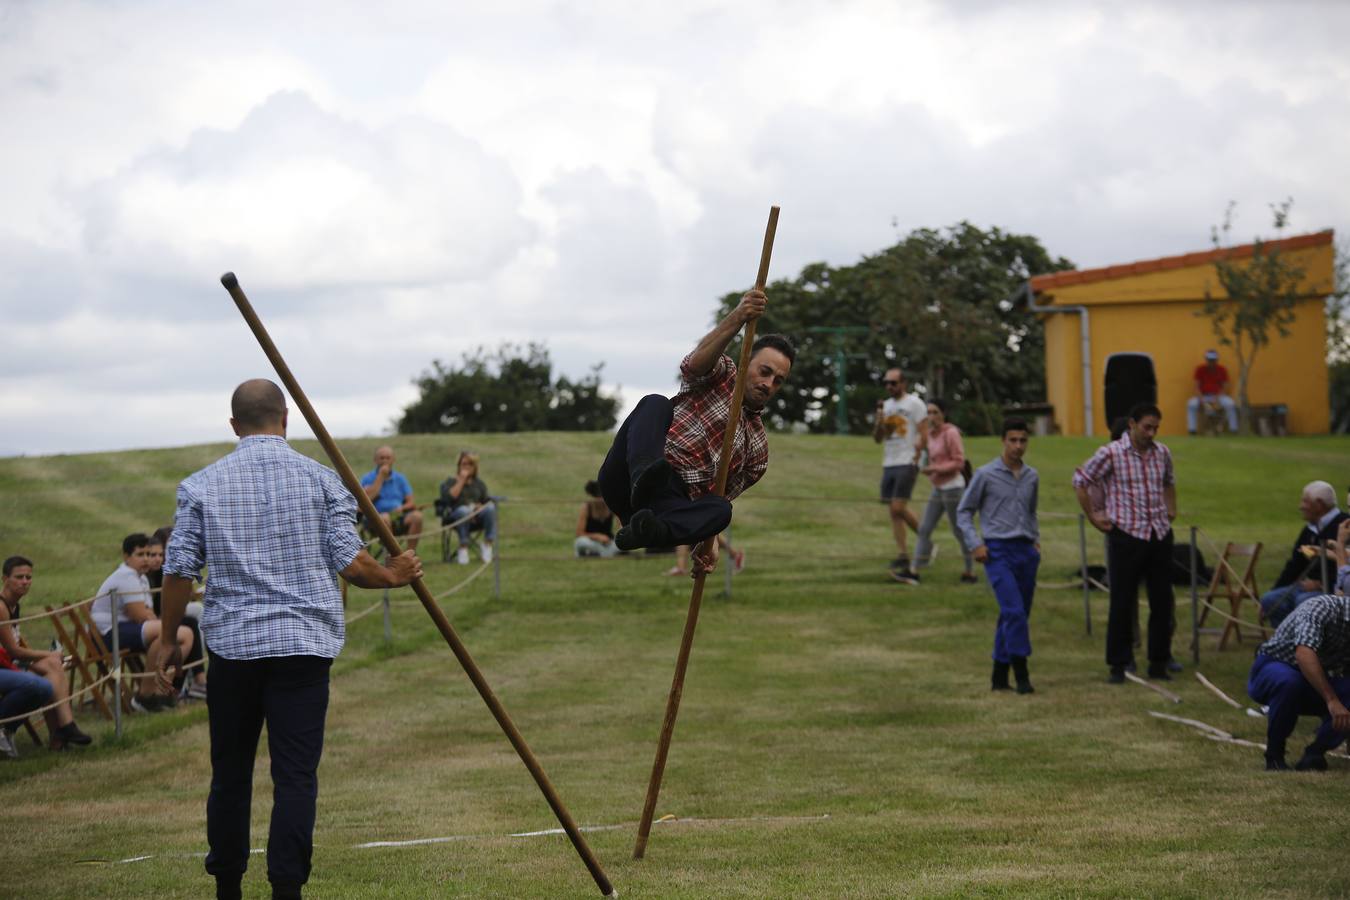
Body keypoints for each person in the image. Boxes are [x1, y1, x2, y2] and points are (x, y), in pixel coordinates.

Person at [156, 379, 422, 900]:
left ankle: (228, 887)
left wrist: (168, 640)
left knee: (229, 773)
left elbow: (178, 568)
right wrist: (394, 574)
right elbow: (351, 563)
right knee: (295, 777)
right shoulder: (324, 482)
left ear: (234, 426)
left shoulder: (201, 486)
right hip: (304, 650)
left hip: (232, 649)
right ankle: (287, 890)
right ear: (285, 420)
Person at [597, 289, 793, 576]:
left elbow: (714, 500)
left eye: (778, 381)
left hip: (666, 504)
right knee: (655, 403)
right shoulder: (722, 374)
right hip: (629, 474)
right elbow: (694, 364)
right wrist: (739, 315)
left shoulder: (758, 450)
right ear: (746, 360)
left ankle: (647, 531)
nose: (768, 383)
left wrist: (707, 542)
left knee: (721, 511)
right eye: (764, 371)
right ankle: (644, 476)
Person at [1073, 402, 1178, 683]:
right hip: (1126, 534)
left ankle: (1159, 661)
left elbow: (1169, 481)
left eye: (1156, 427)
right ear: (1132, 424)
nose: (1152, 433)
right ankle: (1118, 664)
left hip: (1158, 533)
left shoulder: (1162, 453)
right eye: (1147, 427)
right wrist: (1094, 516)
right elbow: (1081, 479)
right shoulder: (1111, 453)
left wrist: (1170, 508)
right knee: (1121, 601)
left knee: (1162, 601)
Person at [957, 419, 1040, 693]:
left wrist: (1035, 540)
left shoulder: (1031, 476)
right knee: (1014, 611)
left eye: (1023, 440)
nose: (1018, 446)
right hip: (997, 551)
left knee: (1016, 614)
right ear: (1003, 441)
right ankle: (1022, 674)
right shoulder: (985, 474)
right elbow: (964, 511)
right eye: (1013, 440)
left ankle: (998, 676)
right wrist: (975, 543)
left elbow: (1031, 511)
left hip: (1025, 551)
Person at [92, 533, 196, 713]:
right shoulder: (126, 576)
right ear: (126, 557)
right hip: (108, 634)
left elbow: (146, 612)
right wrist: (157, 622)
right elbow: (140, 615)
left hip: (125, 629)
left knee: (181, 635)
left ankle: (160, 691)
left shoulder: (140, 577)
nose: (146, 559)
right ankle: (145, 696)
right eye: (140, 555)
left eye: (148, 554)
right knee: (175, 633)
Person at [1246, 593, 1350, 771]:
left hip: (1316, 678)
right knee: (1289, 682)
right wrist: (1332, 700)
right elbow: (1304, 654)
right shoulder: (1321, 608)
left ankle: (1315, 753)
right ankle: (1274, 756)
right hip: (1274, 666)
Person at [0, 556, 92, 752]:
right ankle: (62, 731)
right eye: (19, 577)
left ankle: (63, 731)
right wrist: (48, 654)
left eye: (28, 577)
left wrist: (49, 658)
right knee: (50, 668)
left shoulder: (15, 604)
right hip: (4, 664)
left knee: (53, 668)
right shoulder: (1, 607)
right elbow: (13, 650)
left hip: (8, 662)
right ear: (4, 578)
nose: (25, 581)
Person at [1258, 481, 1347, 627]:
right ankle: (1287, 643)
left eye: (1305, 501)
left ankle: (1310, 644)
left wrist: (1323, 584)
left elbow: (1345, 564)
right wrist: (1274, 592)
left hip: (1334, 591)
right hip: (1307, 587)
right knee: (1270, 599)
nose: (1301, 506)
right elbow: (1295, 564)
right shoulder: (1309, 530)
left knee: (1305, 601)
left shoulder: (1345, 527)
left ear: (1319, 505)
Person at [873, 367, 928, 584]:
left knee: (899, 507)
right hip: (890, 461)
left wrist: (920, 457)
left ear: (903, 383)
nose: (889, 386)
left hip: (908, 460)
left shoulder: (915, 403)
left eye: (893, 383)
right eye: (886, 383)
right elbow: (878, 438)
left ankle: (926, 543)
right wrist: (879, 420)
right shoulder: (885, 407)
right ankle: (903, 554)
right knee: (894, 512)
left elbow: (924, 433)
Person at [913, 398, 975, 584]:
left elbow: (959, 462)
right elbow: (923, 453)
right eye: (929, 413)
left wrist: (935, 469)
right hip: (938, 488)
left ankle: (970, 571)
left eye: (935, 412)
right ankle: (914, 570)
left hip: (953, 488)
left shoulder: (951, 433)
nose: (931, 416)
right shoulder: (930, 434)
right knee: (924, 529)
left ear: (943, 414)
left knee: (958, 530)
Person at [146, 528, 208, 699]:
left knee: (196, 613)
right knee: (190, 622)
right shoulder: (152, 573)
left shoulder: (167, 567)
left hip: (160, 617)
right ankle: (196, 678)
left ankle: (196, 677)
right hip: (154, 620)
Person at [359, 446, 424, 551]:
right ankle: (394, 555)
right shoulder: (367, 478)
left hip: (398, 517)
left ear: (393, 460)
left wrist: (402, 508)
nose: (385, 461)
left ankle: (410, 553)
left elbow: (411, 502)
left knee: (417, 516)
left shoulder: (400, 478)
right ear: (375, 460)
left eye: (388, 458)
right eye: (381, 458)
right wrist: (380, 477)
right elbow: (364, 501)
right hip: (375, 520)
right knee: (384, 517)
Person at [440, 451, 497, 564]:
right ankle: (463, 546)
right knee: (463, 510)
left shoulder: (479, 484)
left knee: (490, 508)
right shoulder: (450, 481)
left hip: (476, 516)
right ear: (458, 465)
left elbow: (485, 501)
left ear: (475, 467)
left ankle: (487, 544)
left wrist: (479, 507)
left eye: (470, 464)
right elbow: (449, 498)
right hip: (456, 516)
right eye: (463, 464)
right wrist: (461, 480)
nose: (466, 466)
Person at [1186, 349, 1238, 434]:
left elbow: (1225, 387)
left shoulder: (1222, 370)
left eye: (1213, 360)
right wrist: (1202, 399)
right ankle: (1192, 430)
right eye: (1209, 360)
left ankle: (1233, 429)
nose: (1211, 362)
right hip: (1203, 396)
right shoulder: (1200, 369)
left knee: (1230, 404)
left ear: (1216, 360)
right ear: (1206, 359)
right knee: (1191, 404)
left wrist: (1217, 399)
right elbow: (1196, 387)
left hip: (1219, 396)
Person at [575, 480, 619, 558]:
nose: (601, 500)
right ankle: (605, 554)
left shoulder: (611, 506)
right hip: (591, 541)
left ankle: (601, 554)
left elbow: (620, 526)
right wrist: (597, 536)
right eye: (598, 497)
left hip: (607, 542)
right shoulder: (586, 507)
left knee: (621, 542)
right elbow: (579, 533)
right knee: (581, 542)